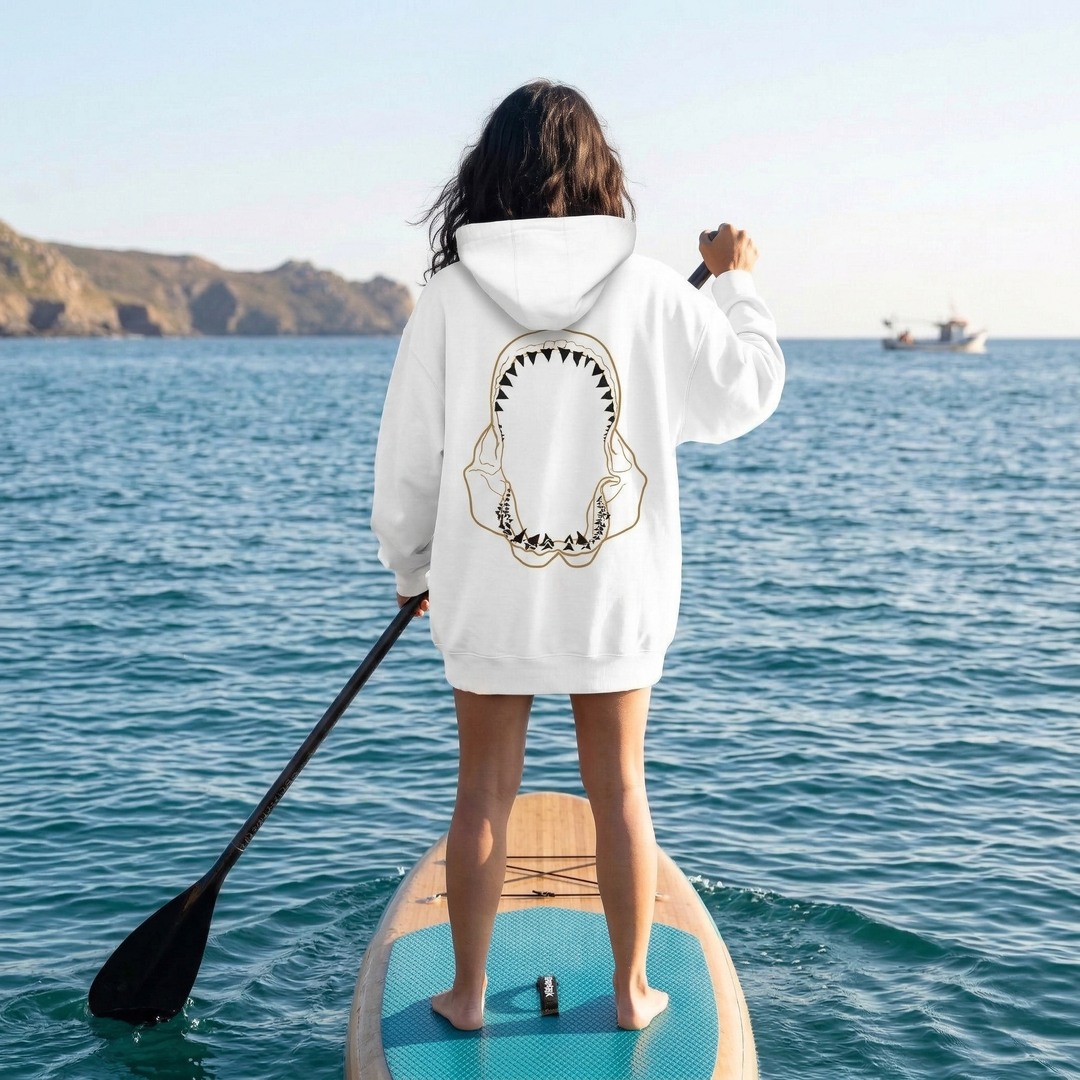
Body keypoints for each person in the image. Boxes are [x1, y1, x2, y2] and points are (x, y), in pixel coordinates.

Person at [371, 80, 784, 1032]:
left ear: (490, 174)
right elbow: (747, 389)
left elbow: (408, 456)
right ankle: (633, 992)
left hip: (491, 596)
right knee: (620, 789)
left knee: (482, 791)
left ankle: (468, 997)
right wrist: (735, 280)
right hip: (614, 596)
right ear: (601, 174)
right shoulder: (646, 291)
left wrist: (412, 566)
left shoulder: (451, 298)